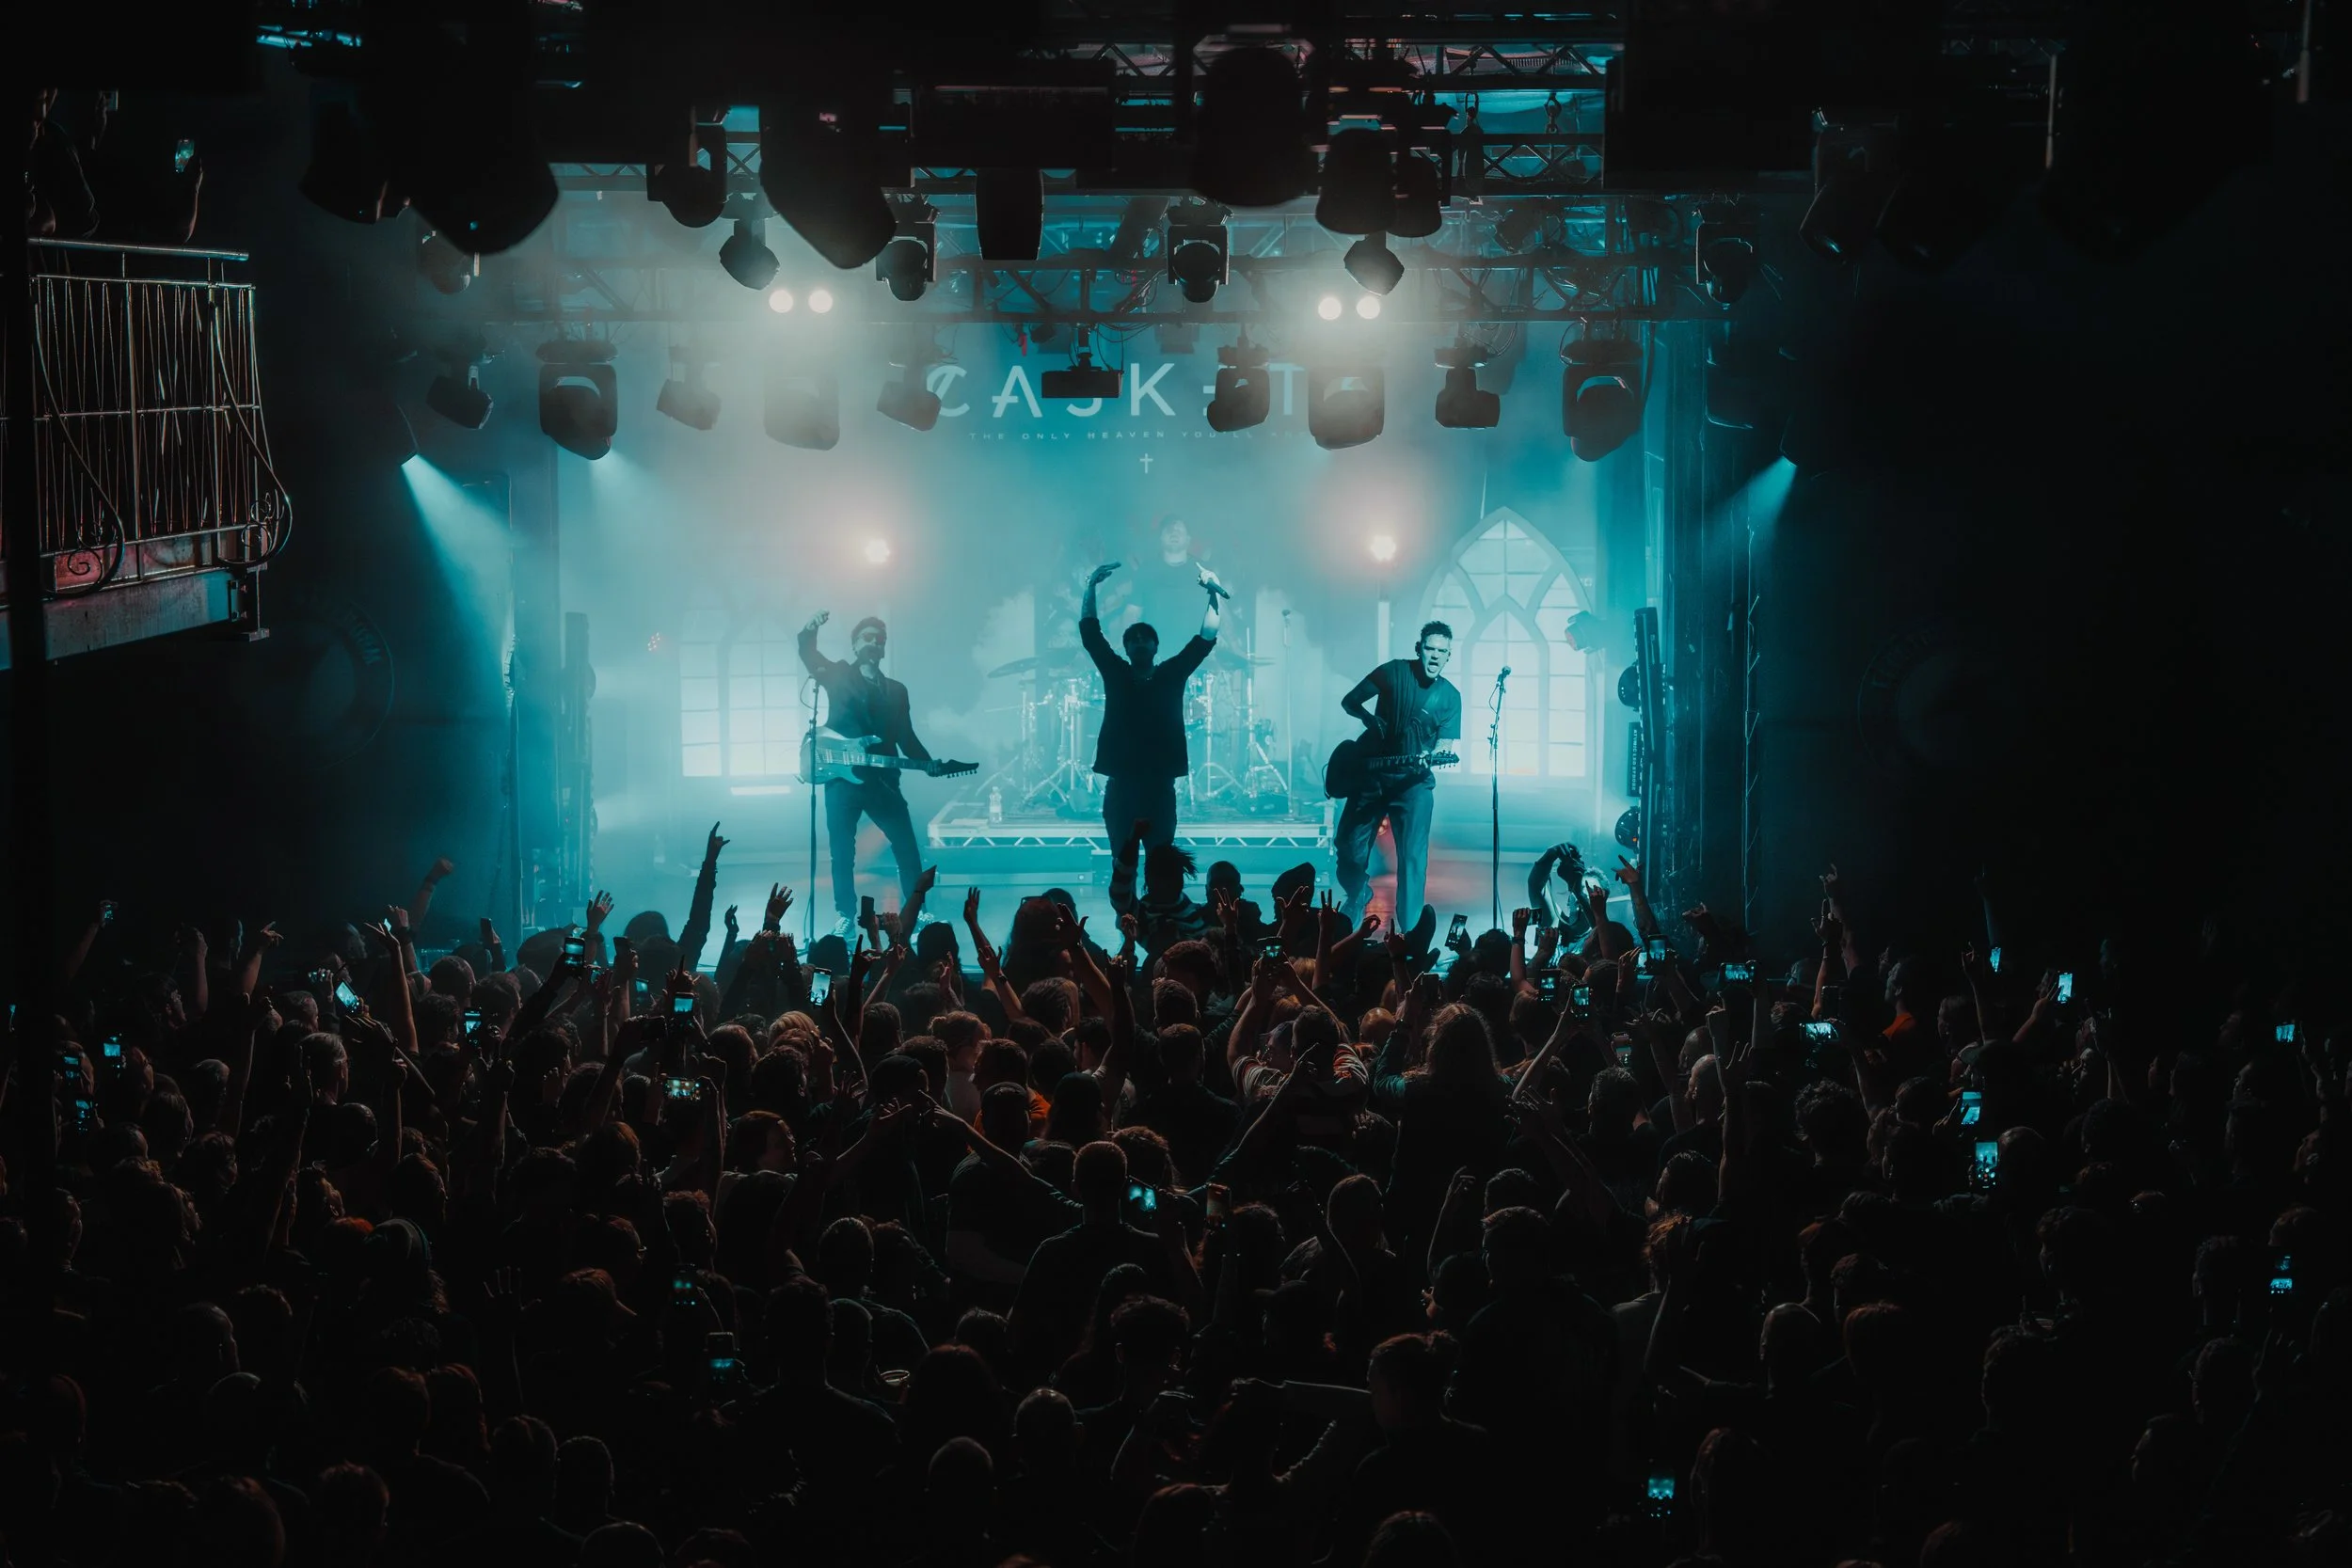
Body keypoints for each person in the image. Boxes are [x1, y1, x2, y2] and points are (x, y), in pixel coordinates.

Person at [799, 610, 935, 936]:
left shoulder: (897, 690)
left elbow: (905, 736)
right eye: (868, 637)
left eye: (880, 639)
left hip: (883, 782)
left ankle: (918, 912)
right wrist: (809, 630)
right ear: (855, 644)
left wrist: (929, 762)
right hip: (842, 781)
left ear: (884, 648)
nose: (875, 643)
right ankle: (845, 914)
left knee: (906, 846)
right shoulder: (838, 675)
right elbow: (809, 654)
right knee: (842, 852)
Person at [1079, 561, 1221, 850]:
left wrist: (1214, 593)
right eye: (1134, 639)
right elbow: (1091, 634)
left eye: (1145, 639)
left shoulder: (1171, 674)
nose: (1140, 642)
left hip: (1159, 788)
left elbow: (1205, 638)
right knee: (1122, 861)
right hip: (1122, 787)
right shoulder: (1117, 674)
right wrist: (1090, 587)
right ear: (1126, 649)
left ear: (1156, 647)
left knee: (1161, 863)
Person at [1334, 622, 1462, 931]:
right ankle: (1357, 892)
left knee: (1413, 860)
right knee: (1347, 846)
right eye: (1430, 649)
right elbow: (1350, 701)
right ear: (1419, 649)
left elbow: (1445, 746)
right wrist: (1368, 719)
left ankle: (1410, 933)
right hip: (1372, 775)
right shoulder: (1392, 671)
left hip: (1413, 784)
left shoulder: (1450, 697)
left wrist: (1433, 756)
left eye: (1442, 651)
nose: (1435, 656)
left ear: (1448, 656)